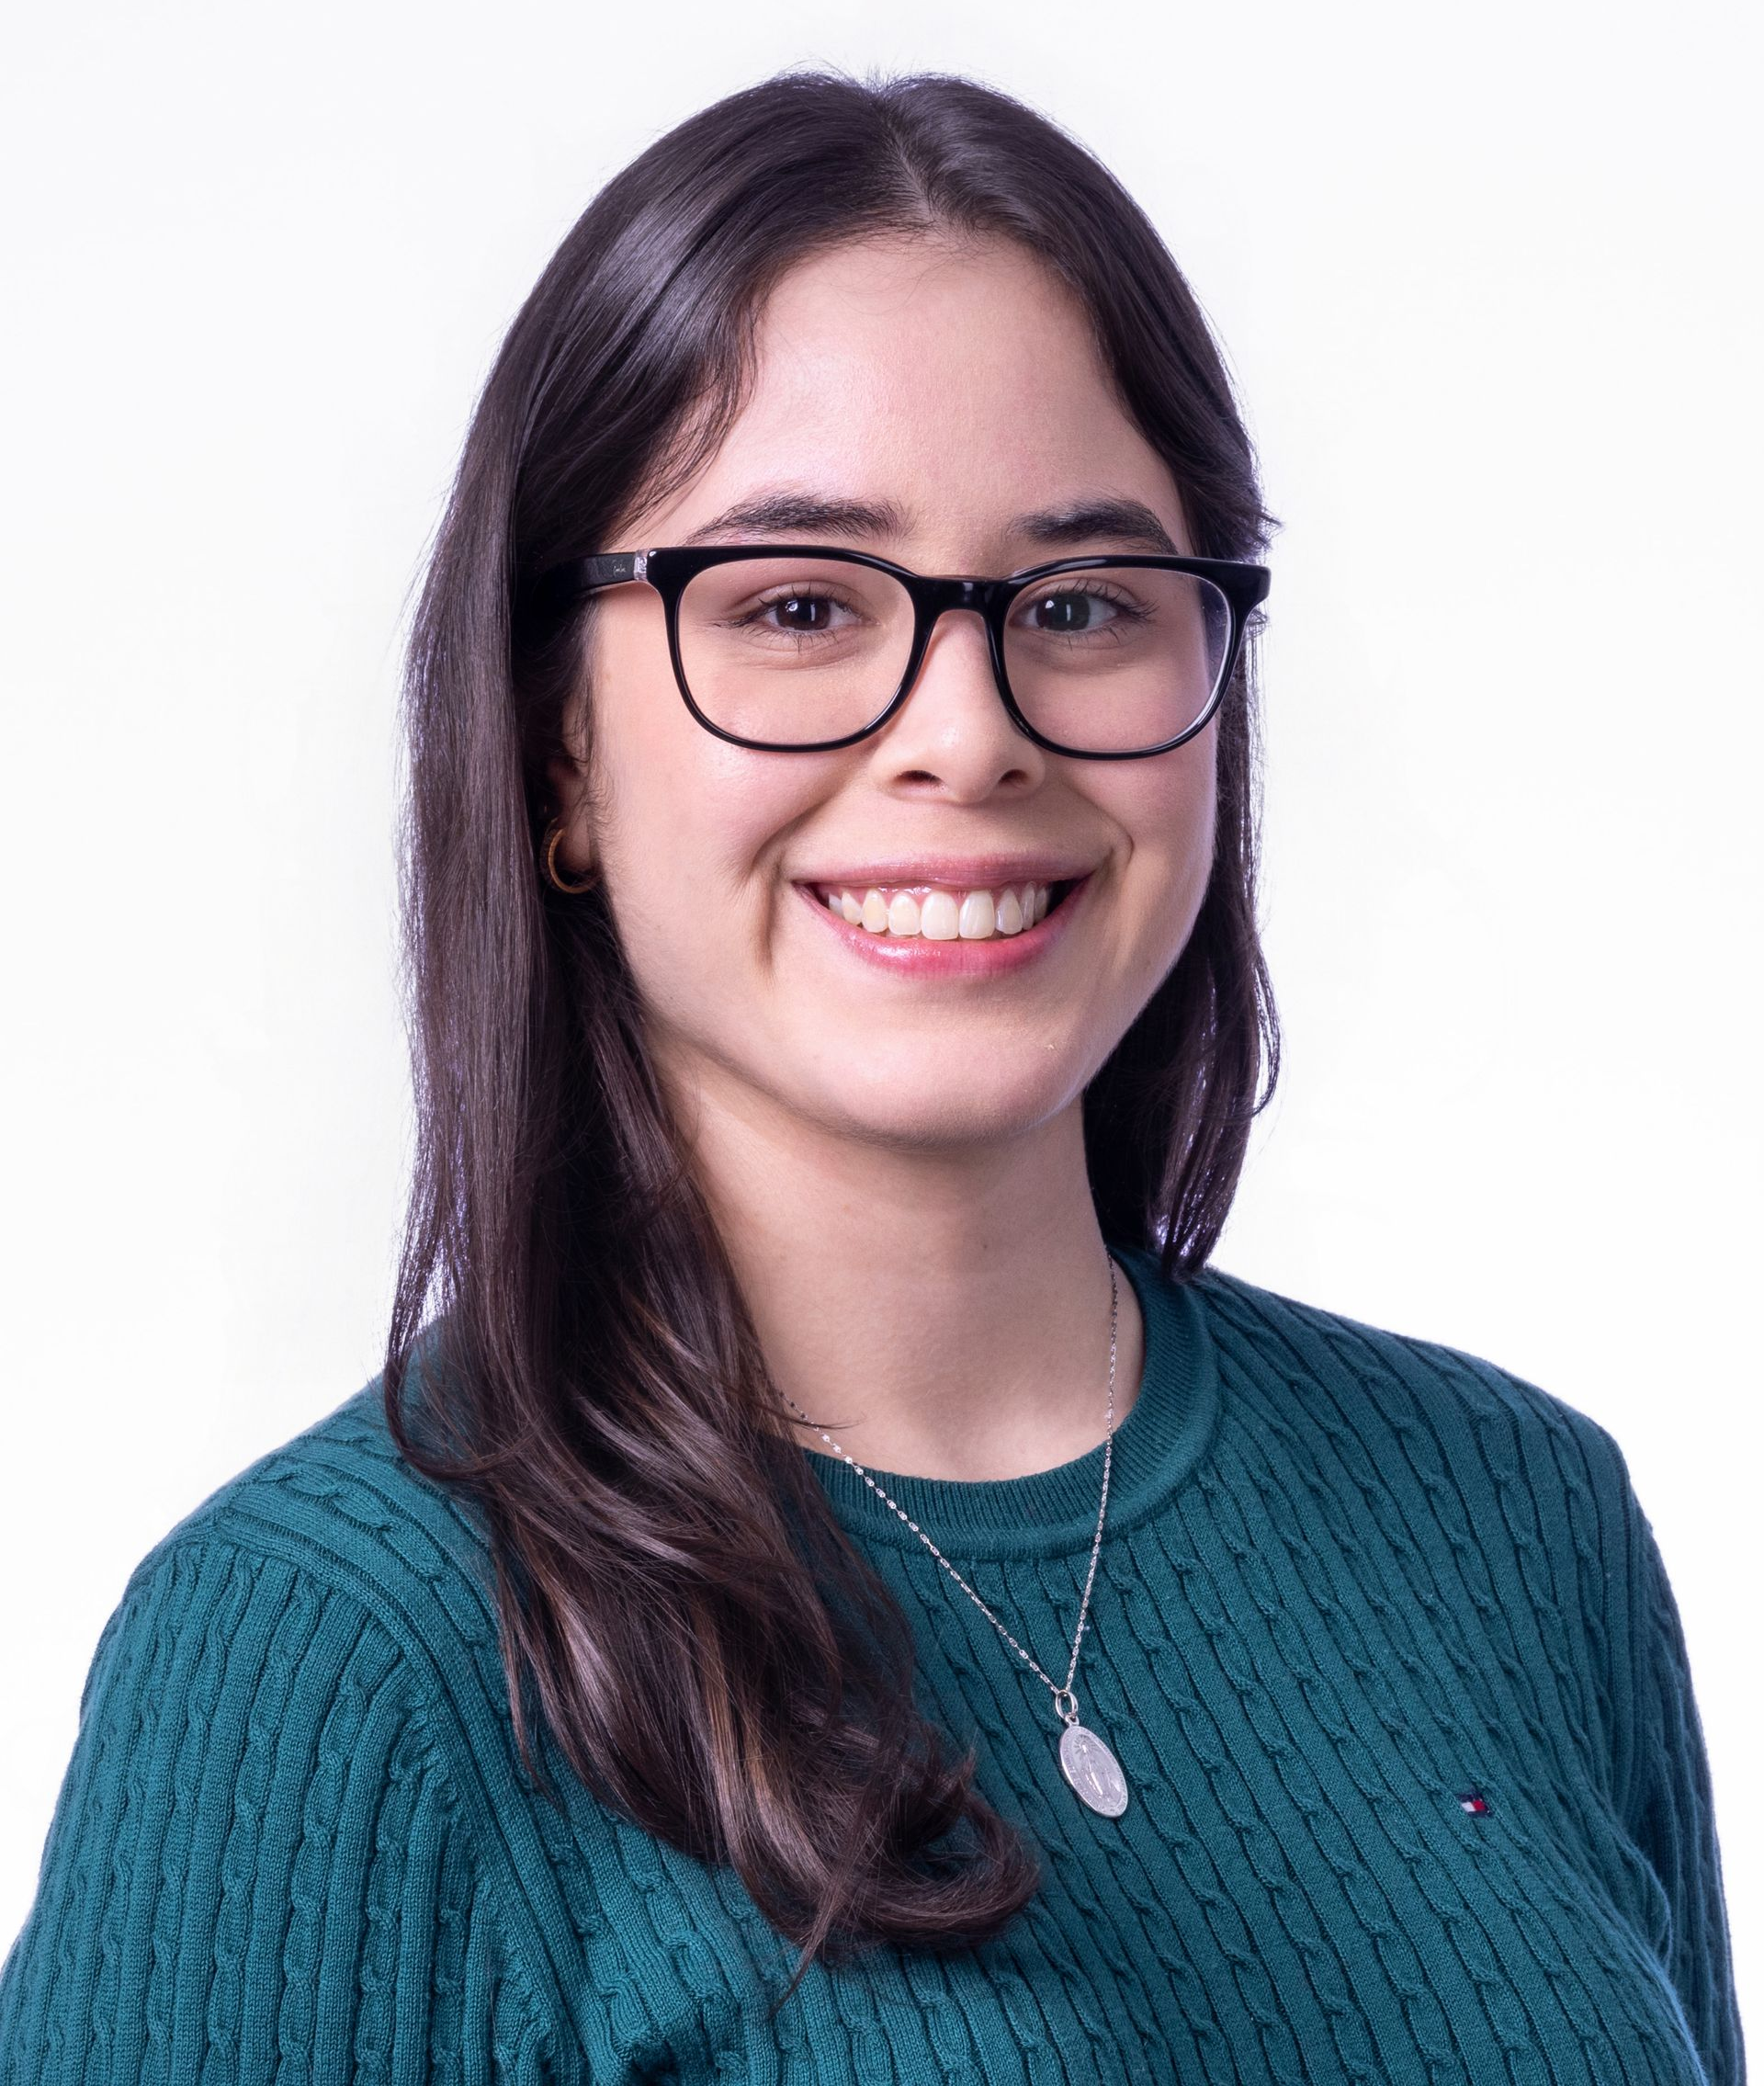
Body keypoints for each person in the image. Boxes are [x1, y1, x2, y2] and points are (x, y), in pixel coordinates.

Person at [0, 66, 1743, 2085]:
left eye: (1082, 604)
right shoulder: (324, 1662)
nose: (965, 734)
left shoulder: (1518, 1519)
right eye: (801, 605)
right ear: (558, 752)